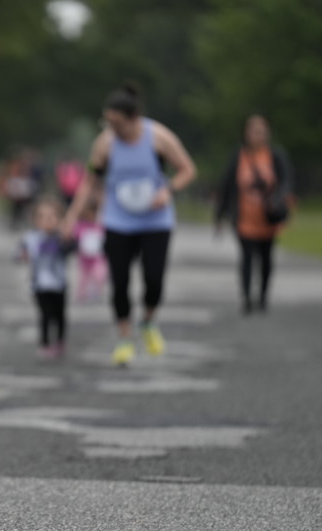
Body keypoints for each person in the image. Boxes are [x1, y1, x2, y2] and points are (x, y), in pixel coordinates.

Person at [63, 82, 197, 366]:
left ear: (134, 118)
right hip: (118, 220)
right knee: (120, 281)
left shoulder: (158, 137)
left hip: (155, 219)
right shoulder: (105, 143)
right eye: (108, 123)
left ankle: (148, 321)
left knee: (154, 278)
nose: (112, 129)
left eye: (117, 123)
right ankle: (124, 339)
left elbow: (188, 170)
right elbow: (89, 181)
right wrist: (71, 217)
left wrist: (168, 191)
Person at [214, 114, 294, 314]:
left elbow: (286, 181)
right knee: (246, 257)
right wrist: (219, 216)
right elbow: (226, 186)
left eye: (261, 131)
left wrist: (277, 200)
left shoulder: (275, 155)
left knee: (266, 258)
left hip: (268, 218)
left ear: (268, 133)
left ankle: (263, 296)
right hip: (244, 219)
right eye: (253, 131)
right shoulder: (238, 156)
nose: (257, 135)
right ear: (246, 133)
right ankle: (247, 297)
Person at [18, 197, 76, 358]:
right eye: (43, 217)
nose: (48, 220)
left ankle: (60, 340)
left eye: (52, 216)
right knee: (45, 314)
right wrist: (22, 256)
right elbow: (18, 254)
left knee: (60, 314)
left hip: (59, 284)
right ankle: (44, 343)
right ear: (36, 220)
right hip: (39, 285)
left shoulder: (62, 237)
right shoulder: (30, 238)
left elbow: (71, 249)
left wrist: (67, 237)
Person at [72, 196, 107, 303]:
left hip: (98, 257)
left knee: (99, 274)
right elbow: (74, 235)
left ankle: (96, 291)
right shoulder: (80, 226)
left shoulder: (100, 225)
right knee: (84, 277)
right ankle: (81, 293)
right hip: (84, 257)